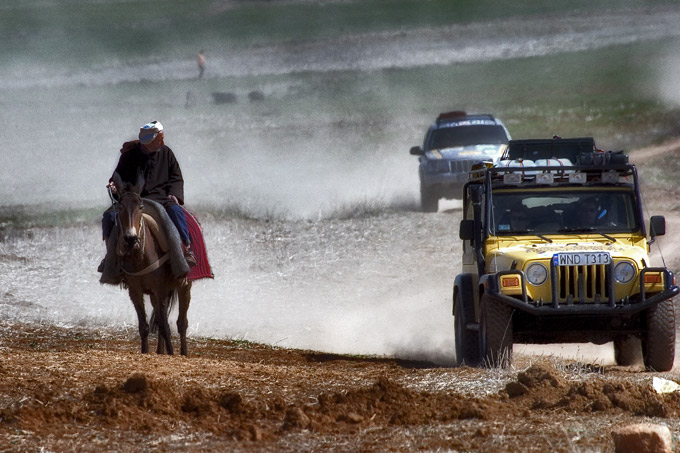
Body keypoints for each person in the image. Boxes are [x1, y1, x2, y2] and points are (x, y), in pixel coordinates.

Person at [99, 121, 196, 272]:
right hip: (133, 199)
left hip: (161, 199)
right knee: (109, 218)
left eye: (161, 139)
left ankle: (186, 250)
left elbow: (176, 177)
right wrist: (115, 188)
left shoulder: (166, 153)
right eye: (158, 140)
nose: (162, 142)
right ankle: (110, 258)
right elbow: (117, 177)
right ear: (148, 141)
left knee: (176, 212)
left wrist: (174, 193)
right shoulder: (129, 156)